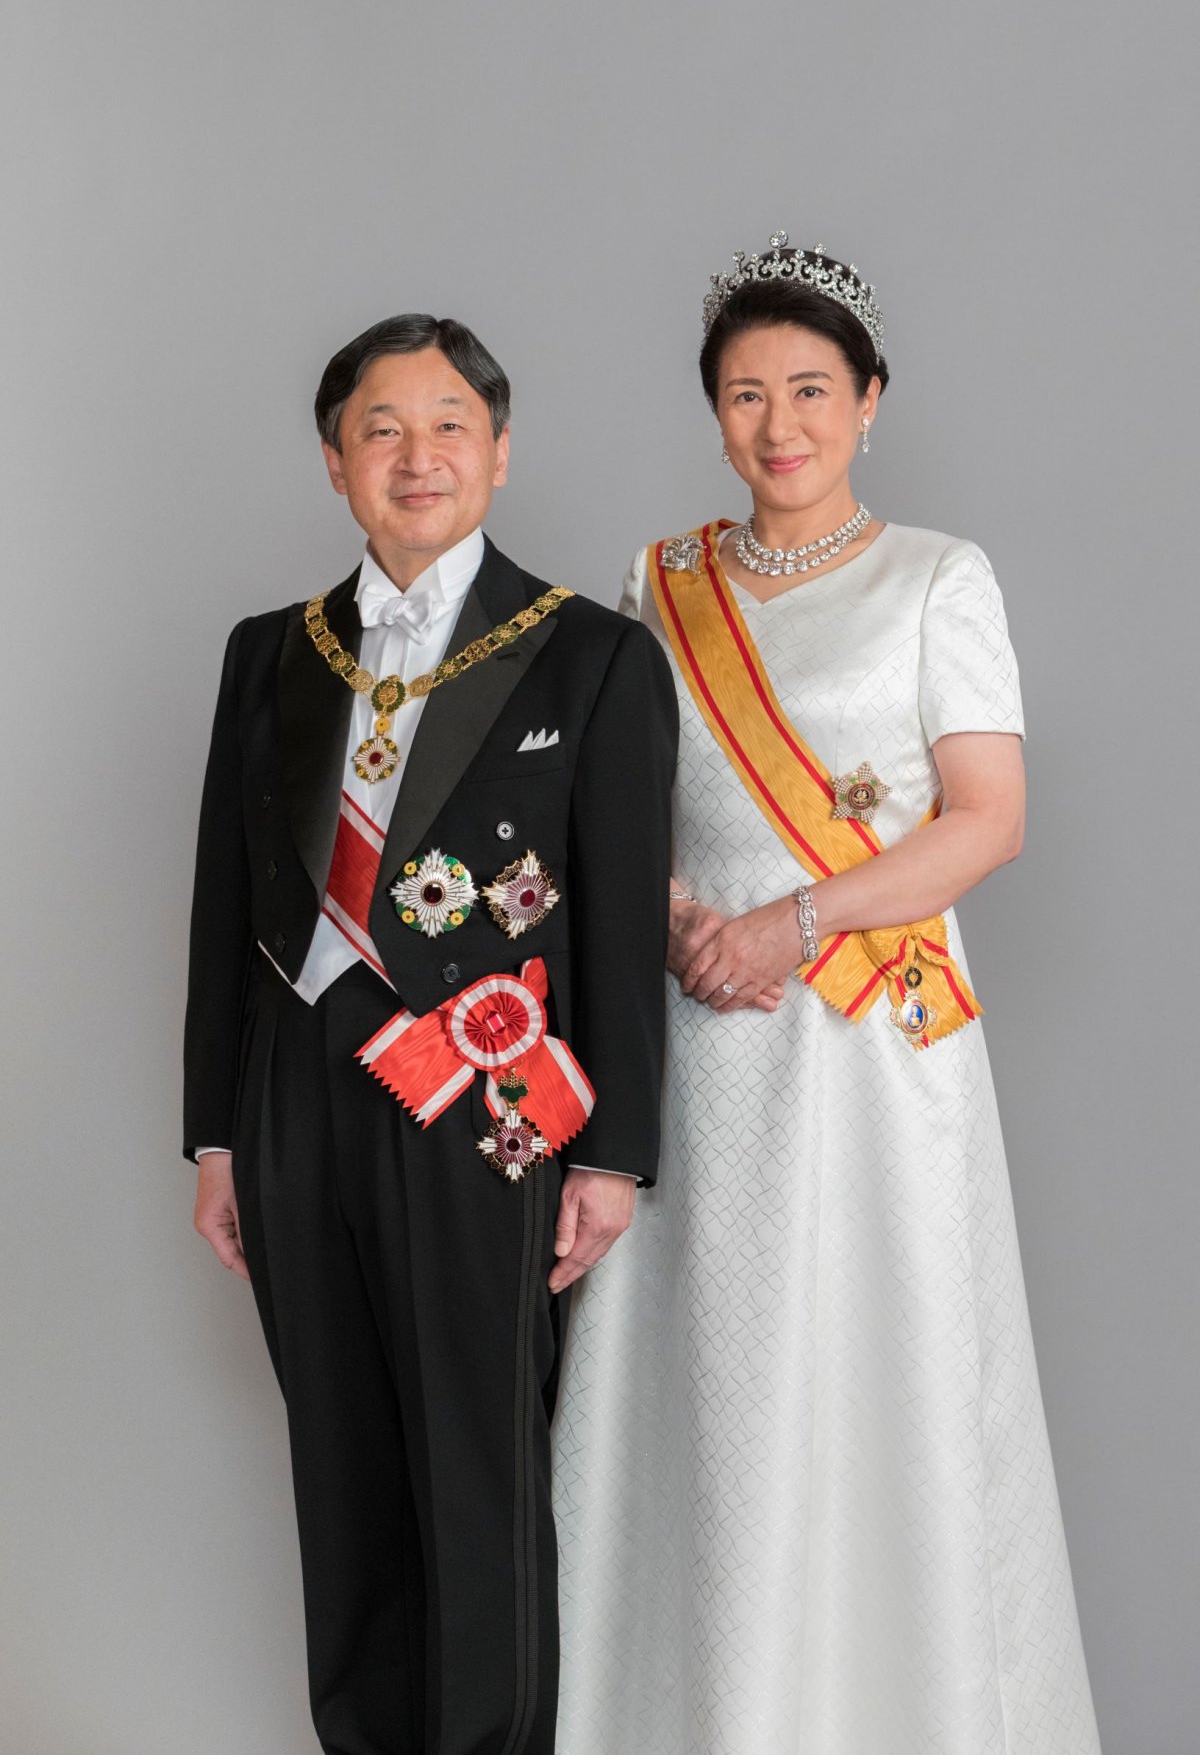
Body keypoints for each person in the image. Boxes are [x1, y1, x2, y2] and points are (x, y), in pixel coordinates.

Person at [553, 236, 1102, 1753]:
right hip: (696, 1025)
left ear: (870, 398)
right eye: (744, 394)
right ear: (712, 412)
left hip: (873, 1044)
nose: (777, 423)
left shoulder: (941, 575)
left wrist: (793, 922)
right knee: (708, 1389)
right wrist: (676, 919)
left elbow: (985, 817)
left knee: (882, 1370)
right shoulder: (656, 582)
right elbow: (619, 811)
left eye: (809, 388)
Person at [183, 312, 678, 1755]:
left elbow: (616, 927)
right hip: (291, 1103)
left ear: (502, 452)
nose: (420, 454)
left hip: (485, 1108)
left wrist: (617, 1156)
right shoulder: (266, 654)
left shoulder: (589, 655)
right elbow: (226, 900)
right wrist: (216, 1132)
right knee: (341, 1474)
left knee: (475, 1474)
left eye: (451, 422)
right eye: (382, 428)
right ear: (336, 462)